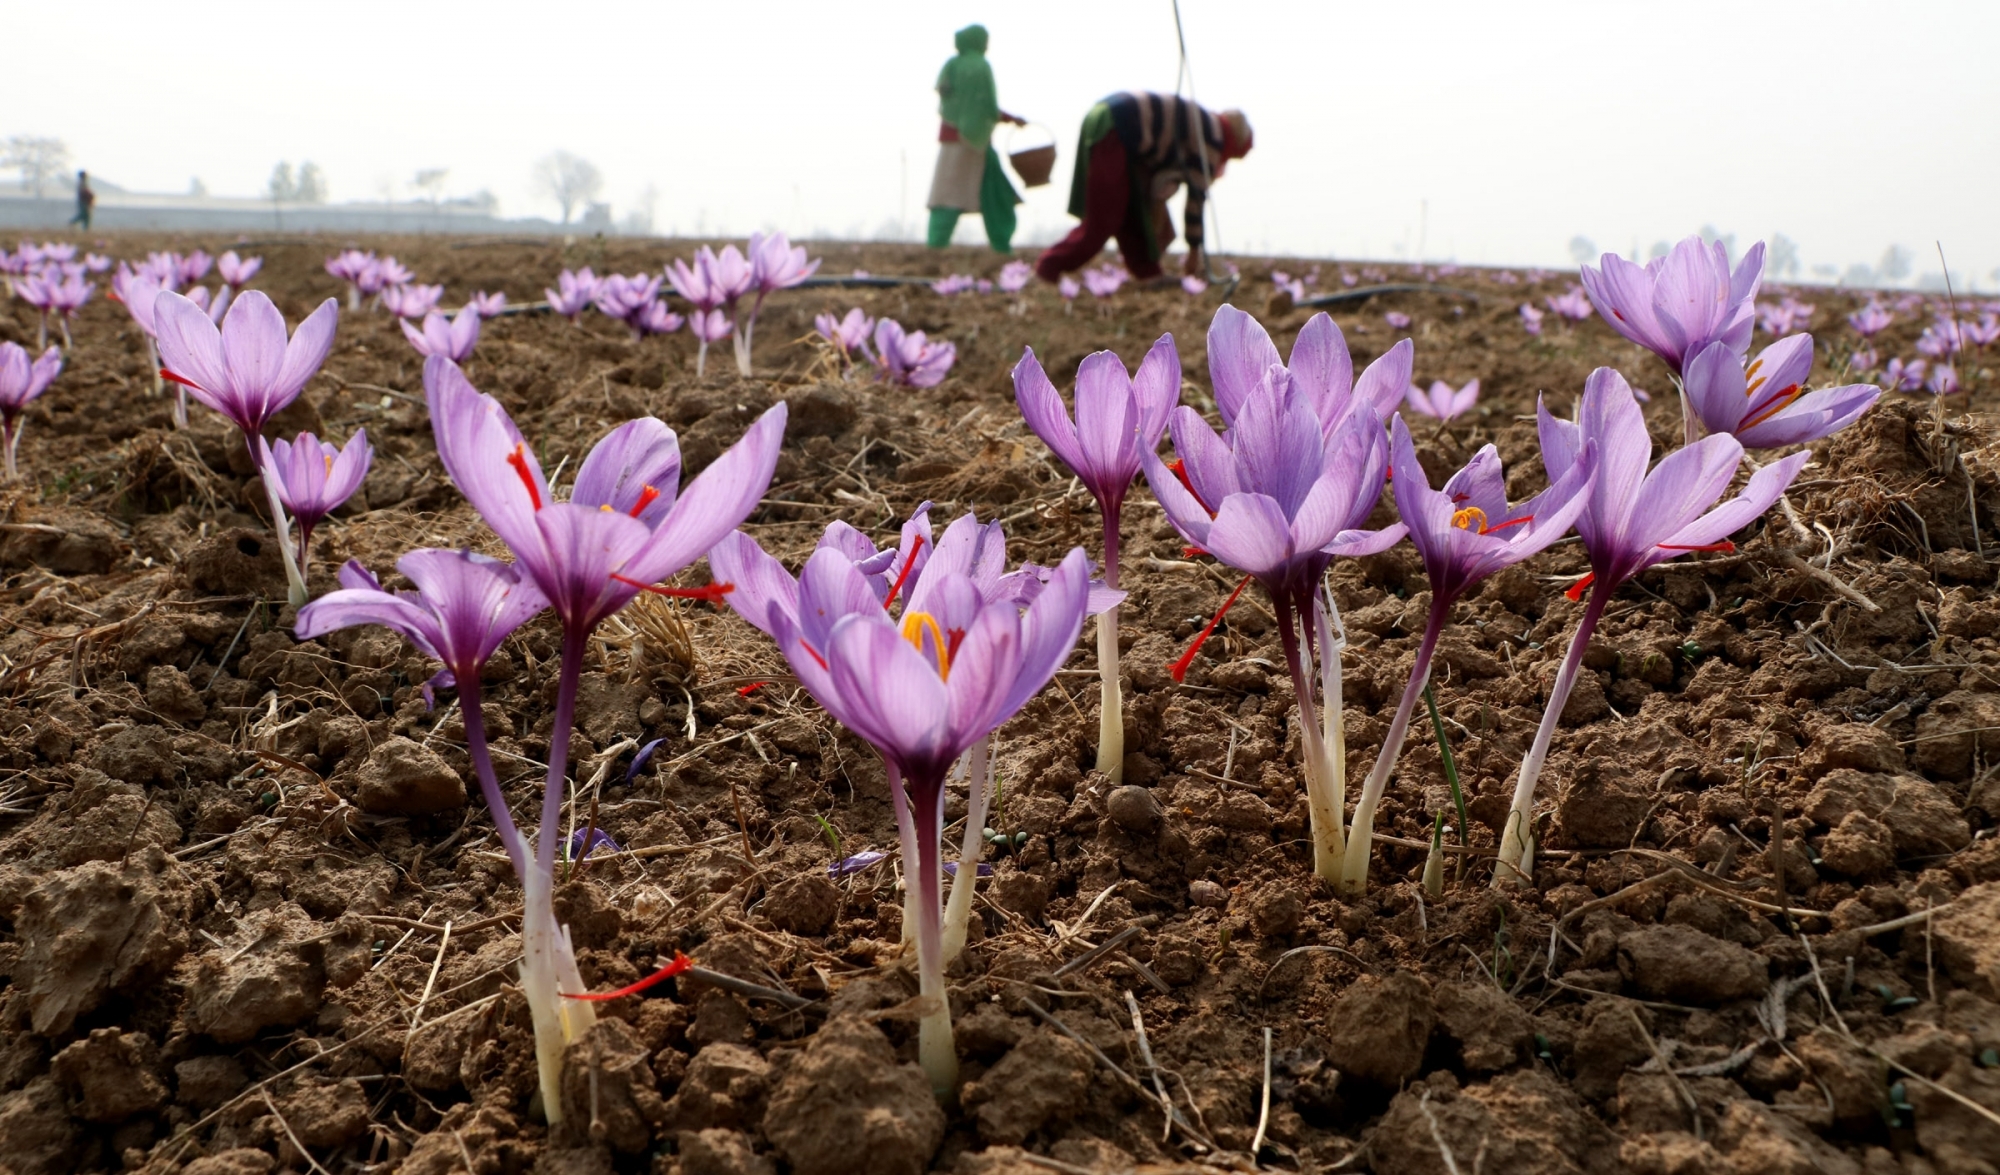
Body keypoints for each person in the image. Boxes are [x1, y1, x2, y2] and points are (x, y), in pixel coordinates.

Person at [1035, 93, 1251, 283]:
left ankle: (1147, 271)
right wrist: (1194, 252)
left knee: (1131, 205)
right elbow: (1195, 201)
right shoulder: (1214, 140)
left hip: (1110, 117)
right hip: (1116, 125)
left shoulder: (1206, 123)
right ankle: (1049, 268)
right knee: (1105, 217)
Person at [926, 24, 1026, 254]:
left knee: (948, 195)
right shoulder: (981, 66)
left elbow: (948, 95)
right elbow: (987, 106)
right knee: (991, 195)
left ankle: (937, 245)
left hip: (953, 138)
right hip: (976, 142)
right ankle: (1000, 245)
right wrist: (1010, 119)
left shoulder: (951, 65)